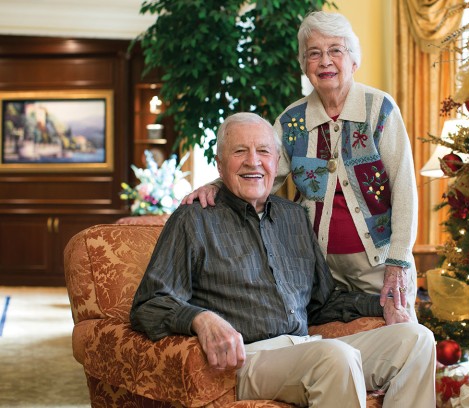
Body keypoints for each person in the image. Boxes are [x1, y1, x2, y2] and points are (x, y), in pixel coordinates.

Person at [130, 112, 436, 407]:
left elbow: (322, 303)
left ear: (276, 163)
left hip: (308, 347)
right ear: (219, 165)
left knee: (417, 340)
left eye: (263, 151)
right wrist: (200, 318)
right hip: (249, 359)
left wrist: (381, 304)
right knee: (334, 357)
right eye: (240, 151)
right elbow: (149, 304)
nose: (253, 161)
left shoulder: (293, 217)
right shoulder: (193, 219)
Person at [182, 11, 419, 320]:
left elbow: (404, 186)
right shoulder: (292, 121)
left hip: (379, 264)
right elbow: (262, 171)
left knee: (398, 339)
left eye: (335, 50)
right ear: (304, 65)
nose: (325, 61)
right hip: (318, 268)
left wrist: (398, 262)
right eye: (314, 54)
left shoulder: (379, 109)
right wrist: (214, 186)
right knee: (334, 352)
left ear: (353, 60)